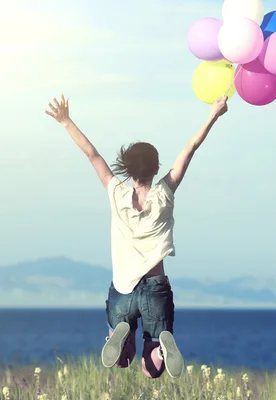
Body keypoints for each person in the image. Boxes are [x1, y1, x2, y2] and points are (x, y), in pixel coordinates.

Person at [45, 94, 229, 378]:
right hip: (156, 287)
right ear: (156, 169)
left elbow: (92, 154)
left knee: (121, 362)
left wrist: (66, 121)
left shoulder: (116, 192)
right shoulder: (164, 193)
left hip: (123, 290)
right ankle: (158, 349)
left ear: (126, 168)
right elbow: (190, 148)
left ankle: (118, 340)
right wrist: (213, 114)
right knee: (151, 371)